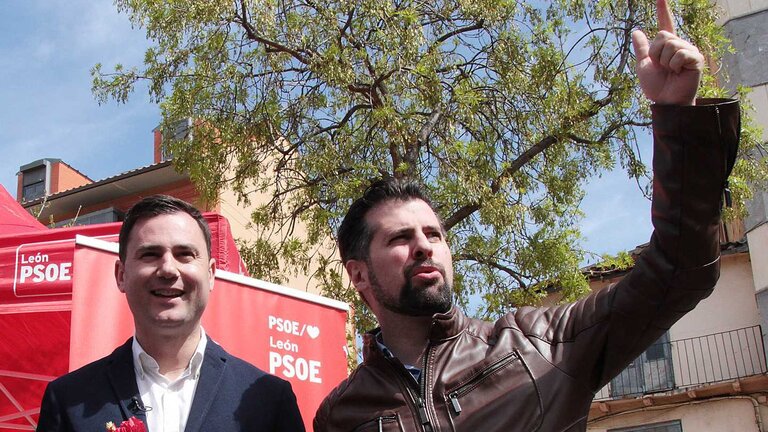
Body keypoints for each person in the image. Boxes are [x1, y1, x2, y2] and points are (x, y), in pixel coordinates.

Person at [313, 1, 741, 431]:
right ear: (359, 274)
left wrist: (678, 116)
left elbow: (681, 269)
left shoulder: (540, 344)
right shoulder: (341, 416)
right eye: (399, 238)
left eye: (434, 234)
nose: (425, 246)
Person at [37, 195, 305, 432]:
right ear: (121, 275)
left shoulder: (270, 400)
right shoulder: (68, 400)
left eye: (185, 254)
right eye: (150, 254)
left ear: (210, 274)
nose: (168, 269)